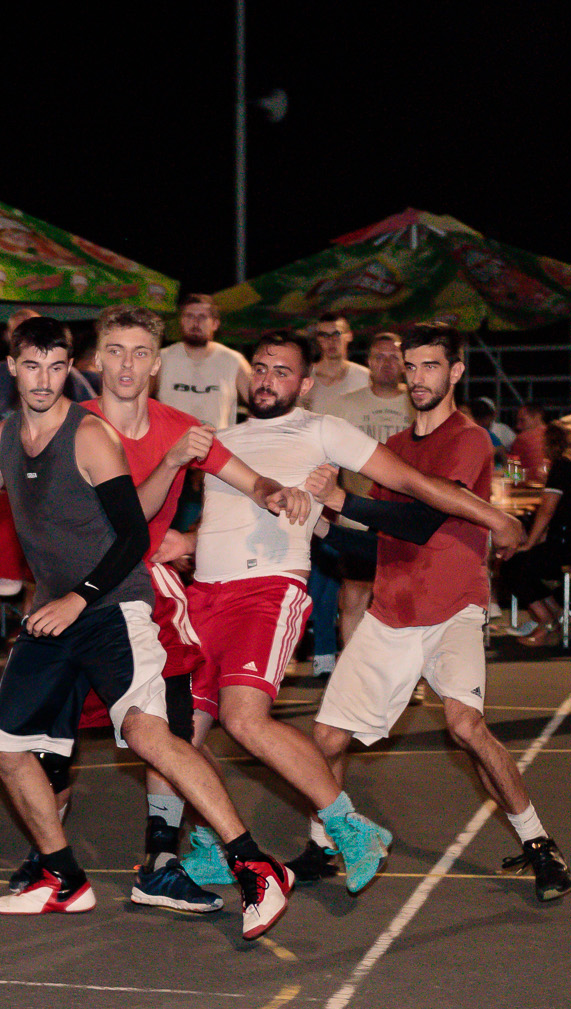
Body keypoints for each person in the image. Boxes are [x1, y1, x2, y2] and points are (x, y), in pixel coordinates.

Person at [0, 315, 297, 936]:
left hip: (113, 605)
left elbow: (132, 535)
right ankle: (62, 877)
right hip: (54, 612)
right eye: (32, 366)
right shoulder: (1, 439)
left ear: (68, 369)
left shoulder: (89, 436)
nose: (43, 380)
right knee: (4, 747)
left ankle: (253, 864)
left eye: (56, 368)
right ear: (12, 368)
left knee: (148, 732)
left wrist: (81, 600)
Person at [174, 328, 521, 892]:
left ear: (306, 385)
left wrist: (493, 517)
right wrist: (182, 541)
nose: (266, 379)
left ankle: (349, 826)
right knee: (178, 736)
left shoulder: (321, 430)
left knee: (244, 720)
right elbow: (219, 519)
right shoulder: (220, 441)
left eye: (281, 371)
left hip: (270, 591)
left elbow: (414, 486)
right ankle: (219, 844)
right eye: (260, 367)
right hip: (205, 597)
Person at [309, 325, 571, 900]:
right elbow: (380, 538)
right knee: (327, 737)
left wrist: (343, 500)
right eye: (411, 366)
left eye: (431, 366)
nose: (418, 377)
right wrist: (322, 525)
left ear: (454, 373)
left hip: (452, 608)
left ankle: (539, 844)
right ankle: (322, 841)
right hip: (392, 609)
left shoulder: (469, 437)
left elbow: (423, 518)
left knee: (465, 726)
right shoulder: (393, 449)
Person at [78, 305, 323, 915]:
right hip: (68, 600)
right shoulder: (71, 427)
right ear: (95, 359)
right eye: (115, 351)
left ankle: (187, 860)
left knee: (162, 730)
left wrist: (277, 492)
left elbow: (246, 478)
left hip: (138, 598)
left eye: (139, 353)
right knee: (32, 752)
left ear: (156, 365)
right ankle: (57, 861)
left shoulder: (180, 425)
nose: (127, 364)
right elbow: (94, 516)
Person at [0, 308, 99, 693]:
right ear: (13, 351)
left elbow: (97, 413)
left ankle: (35, 657)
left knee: (44, 577)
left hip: (54, 493)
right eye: (20, 332)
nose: (41, 374)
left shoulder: (68, 376)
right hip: (6, 492)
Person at [312, 330, 418, 665]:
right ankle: (353, 672)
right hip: (356, 512)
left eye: (394, 356)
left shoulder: (418, 403)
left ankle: (404, 673)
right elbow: (326, 458)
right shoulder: (346, 405)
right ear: (368, 362)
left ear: (404, 363)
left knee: (402, 595)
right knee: (355, 594)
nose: (387, 363)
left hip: (404, 515)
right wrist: (325, 501)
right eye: (379, 356)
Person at [497, 417, 571, 648]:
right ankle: (558, 619)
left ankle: (548, 622)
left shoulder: (561, 467)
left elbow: (546, 511)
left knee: (512, 564)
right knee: (525, 564)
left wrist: (529, 544)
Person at [155, 293, 252, 430]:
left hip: (217, 447)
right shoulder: (161, 359)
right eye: (189, 316)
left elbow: (260, 403)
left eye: (202, 317)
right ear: (181, 321)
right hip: (170, 447)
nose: (195, 322)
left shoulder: (234, 361)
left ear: (215, 324)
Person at [300, 313, 369, 412]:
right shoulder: (304, 378)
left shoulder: (365, 378)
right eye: (324, 335)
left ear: (349, 336)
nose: (330, 340)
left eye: (337, 334)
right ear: (318, 339)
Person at [505, 403, 551, 486]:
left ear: (537, 417)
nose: (518, 426)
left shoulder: (522, 438)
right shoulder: (557, 435)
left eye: (522, 420)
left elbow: (512, 474)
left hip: (532, 489)